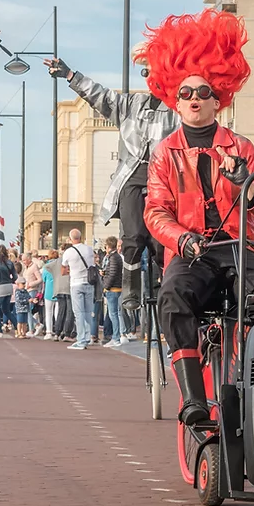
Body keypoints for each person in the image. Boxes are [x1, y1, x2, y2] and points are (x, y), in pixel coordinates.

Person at [143, 9, 254, 426]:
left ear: (218, 97)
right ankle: (194, 399)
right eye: (185, 93)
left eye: (203, 91)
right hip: (191, 251)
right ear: (174, 99)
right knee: (172, 297)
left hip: (241, 247)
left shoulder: (241, 146)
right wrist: (182, 240)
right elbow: (155, 210)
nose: (194, 99)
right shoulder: (165, 151)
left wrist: (249, 187)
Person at [46, 46, 179, 317]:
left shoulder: (177, 112)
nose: (149, 79)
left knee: (158, 241)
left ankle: (160, 285)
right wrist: (70, 75)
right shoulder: (132, 105)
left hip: (162, 180)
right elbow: (101, 96)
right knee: (132, 235)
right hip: (131, 176)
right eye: (146, 73)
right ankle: (131, 287)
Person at [60, 229, 97, 351]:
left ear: (70, 239)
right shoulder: (89, 249)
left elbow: (63, 271)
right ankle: (87, 337)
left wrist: (71, 270)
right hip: (89, 282)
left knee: (79, 313)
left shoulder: (68, 252)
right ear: (81, 237)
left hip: (76, 283)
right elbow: (93, 264)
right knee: (88, 312)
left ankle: (81, 340)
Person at [101, 236, 124, 348]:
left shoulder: (113, 257)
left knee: (113, 314)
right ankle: (116, 337)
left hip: (112, 288)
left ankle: (116, 337)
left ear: (108, 246)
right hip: (116, 287)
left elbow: (113, 273)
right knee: (114, 313)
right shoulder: (117, 257)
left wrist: (106, 286)